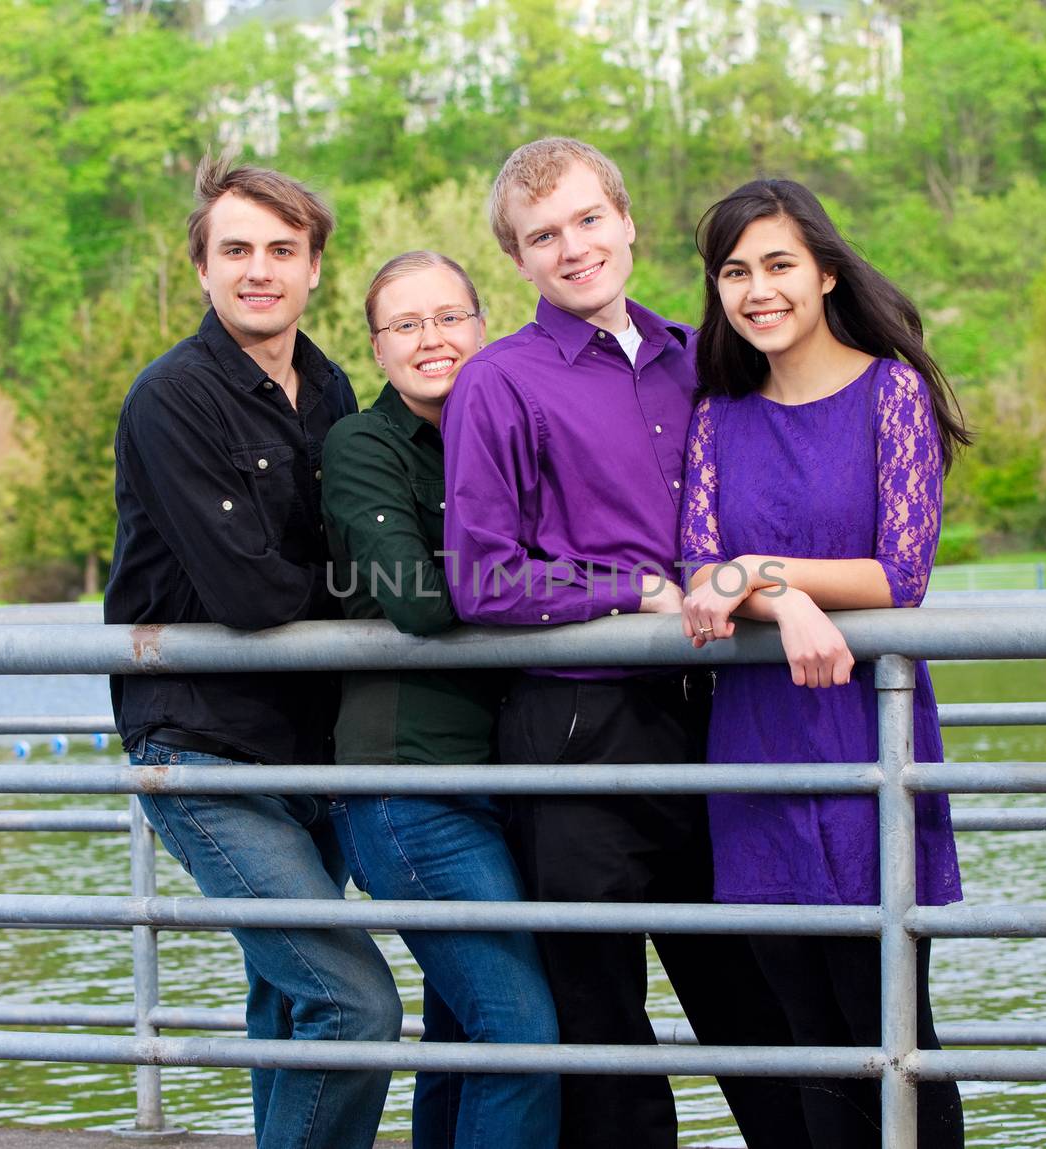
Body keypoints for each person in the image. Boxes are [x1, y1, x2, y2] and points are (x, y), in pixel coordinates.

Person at [441, 137, 806, 1149]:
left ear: (628, 219)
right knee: (603, 1026)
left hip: (717, 717)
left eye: (588, 219)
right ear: (518, 261)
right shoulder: (498, 383)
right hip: (576, 730)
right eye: (542, 235)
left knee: (755, 995)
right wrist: (635, 593)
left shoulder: (705, 357)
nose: (572, 247)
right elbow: (481, 577)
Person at [103, 153, 402, 1149]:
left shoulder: (329, 385)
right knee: (354, 1005)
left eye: (283, 249)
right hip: (200, 744)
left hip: (310, 744)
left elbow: (345, 539)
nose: (259, 269)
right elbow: (249, 593)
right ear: (202, 266)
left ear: (315, 267)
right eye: (236, 249)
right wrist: (394, 591)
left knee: (288, 1011)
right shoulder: (169, 399)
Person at [678, 177, 971, 1147]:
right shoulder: (718, 414)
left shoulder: (891, 393)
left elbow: (903, 572)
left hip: (864, 732)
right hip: (756, 744)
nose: (756, 289)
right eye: (733, 271)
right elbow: (696, 569)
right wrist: (785, 597)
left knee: (890, 1030)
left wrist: (761, 572)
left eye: (777, 265)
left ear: (826, 273)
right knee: (805, 1035)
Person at [321, 251, 560, 1148]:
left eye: (450, 317)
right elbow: (420, 600)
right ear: (378, 348)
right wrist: (545, 572)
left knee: (465, 1037)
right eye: (406, 325)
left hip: (508, 777)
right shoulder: (363, 446)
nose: (433, 340)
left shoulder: (505, 432)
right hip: (408, 789)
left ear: (483, 324)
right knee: (524, 1035)